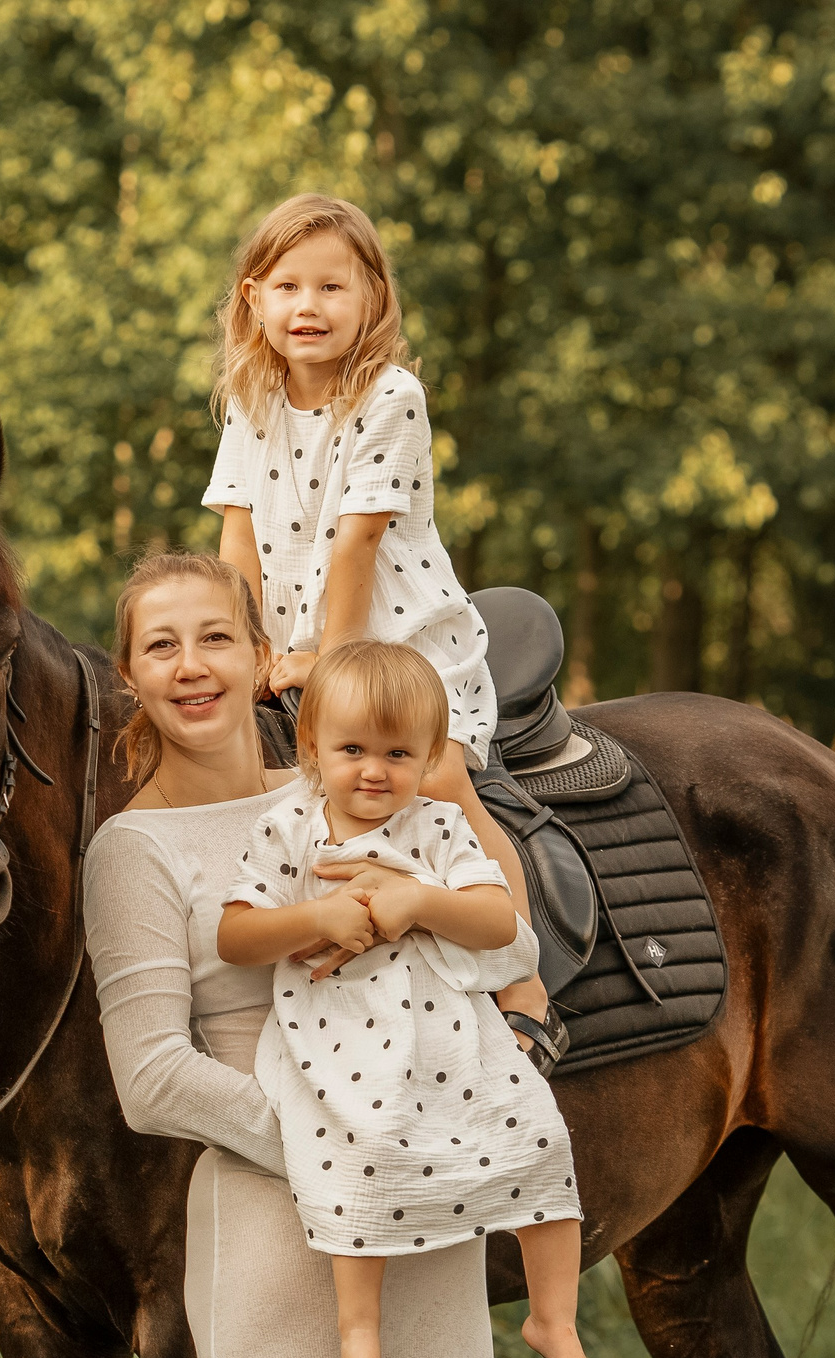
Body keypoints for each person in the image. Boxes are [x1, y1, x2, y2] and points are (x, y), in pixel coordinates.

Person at [84, 551, 496, 1358]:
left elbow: (490, 947)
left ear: (264, 656)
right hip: (275, 1216)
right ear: (130, 676)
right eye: (160, 645)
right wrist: (350, 1143)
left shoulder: (360, 785)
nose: (191, 666)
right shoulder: (135, 850)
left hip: (423, 1210)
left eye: (215, 636)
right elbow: (153, 1079)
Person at [202, 192, 558, 1057]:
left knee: (439, 783)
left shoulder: (390, 395)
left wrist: (332, 663)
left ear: (373, 299)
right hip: (293, 646)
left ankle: (522, 972)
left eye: (333, 287)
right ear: (255, 300)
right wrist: (239, 645)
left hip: (396, 645)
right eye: (288, 287)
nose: (309, 307)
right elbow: (237, 534)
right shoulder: (252, 396)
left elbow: (358, 545)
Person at [217, 640, 599, 1358]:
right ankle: (359, 1329)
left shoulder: (440, 825)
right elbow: (235, 935)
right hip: (339, 1036)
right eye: (352, 748)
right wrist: (315, 917)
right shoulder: (289, 826)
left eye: (398, 752)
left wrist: (420, 899)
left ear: (428, 757)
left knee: (540, 1139)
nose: (374, 770)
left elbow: (498, 923)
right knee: (355, 1155)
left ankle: (553, 1317)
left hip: (451, 1033)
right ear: (313, 747)